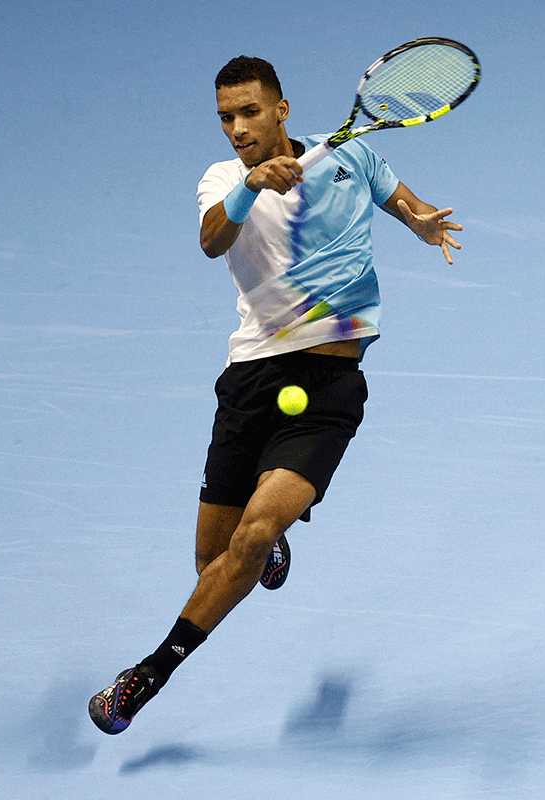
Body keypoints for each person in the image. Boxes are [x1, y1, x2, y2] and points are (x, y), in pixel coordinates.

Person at [89, 55, 462, 734]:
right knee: (214, 562)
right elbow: (211, 241)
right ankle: (266, 543)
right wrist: (251, 186)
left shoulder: (352, 155)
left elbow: (402, 201)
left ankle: (148, 673)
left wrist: (422, 223)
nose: (237, 128)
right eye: (226, 117)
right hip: (251, 381)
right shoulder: (222, 178)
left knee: (254, 534)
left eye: (249, 112)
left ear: (281, 110)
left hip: (329, 384)